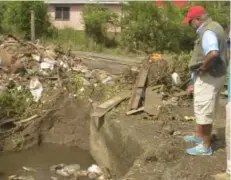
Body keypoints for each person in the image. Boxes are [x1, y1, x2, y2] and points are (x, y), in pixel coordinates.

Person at [182, 6, 228, 156]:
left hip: (210, 76)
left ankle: (205, 146)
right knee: (204, 106)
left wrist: (202, 69)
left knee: (204, 109)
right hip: (217, 75)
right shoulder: (216, 26)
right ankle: (199, 136)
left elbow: (213, 53)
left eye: (191, 22)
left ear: (198, 19)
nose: (191, 25)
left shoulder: (207, 32)